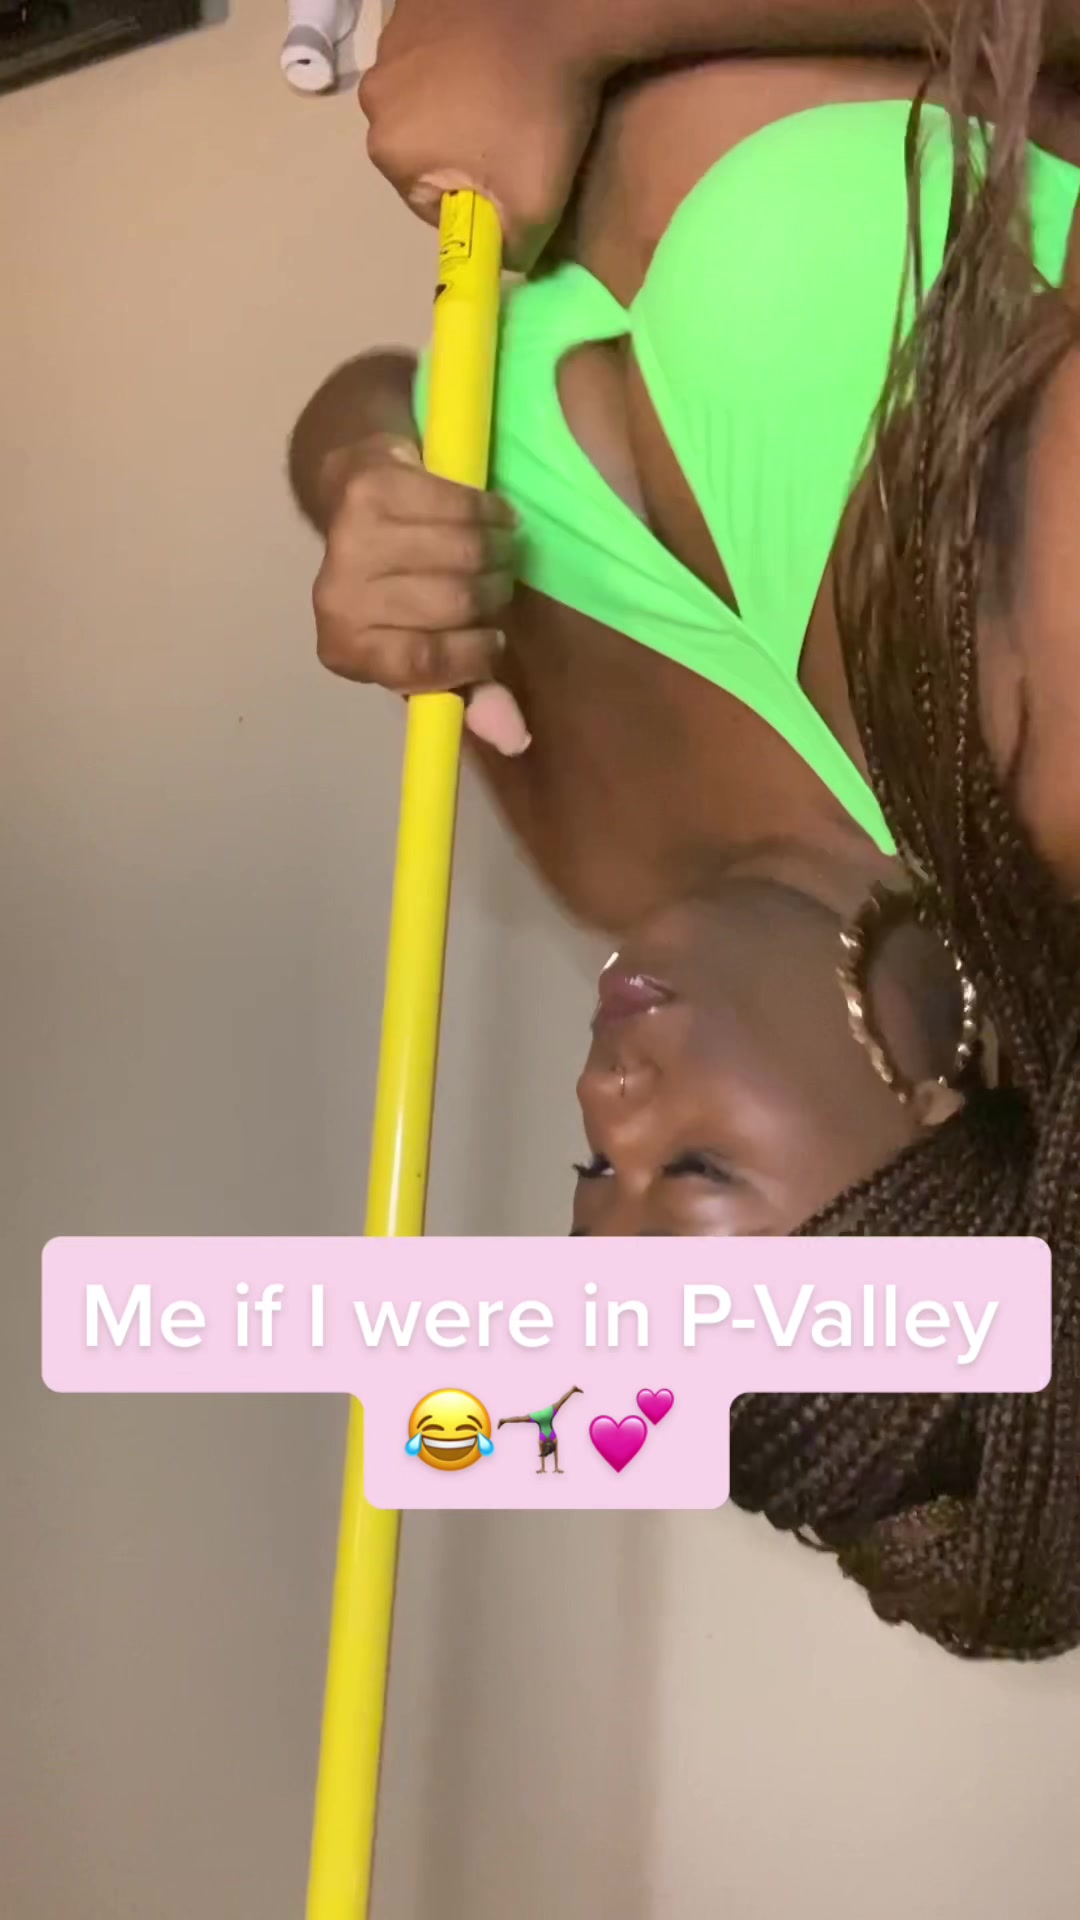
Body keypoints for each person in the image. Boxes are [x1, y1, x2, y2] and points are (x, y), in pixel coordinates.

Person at [288, 1, 1080, 1659]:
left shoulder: (599, 859)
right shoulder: (1048, 734)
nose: (605, 1100)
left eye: (596, 1173)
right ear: (939, 1107)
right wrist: (565, 22)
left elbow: (378, 400)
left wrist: (366, 488)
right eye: (695, 1170)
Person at [498, 1387, 584, 1474]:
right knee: (521, 1419)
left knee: (561, 1402)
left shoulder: (554, 1439)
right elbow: (544, 1454)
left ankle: (572, 1390)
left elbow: (555, 1454)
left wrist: (554, 1468)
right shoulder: (542, 1441)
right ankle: (504, 1421)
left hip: (548, 1414)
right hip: (541, 1416)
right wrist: (548, 1468)